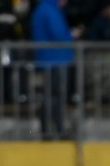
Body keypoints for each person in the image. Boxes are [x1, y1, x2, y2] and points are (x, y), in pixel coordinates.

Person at [31, 0, 74, 140]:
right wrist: (72, 36)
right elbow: (59, 34)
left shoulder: (42, 8)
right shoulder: (50, 10)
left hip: (47, 58)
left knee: (51, 95)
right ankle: (57, 130)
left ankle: (49, 130)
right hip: (55, 58)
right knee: (55, 96)